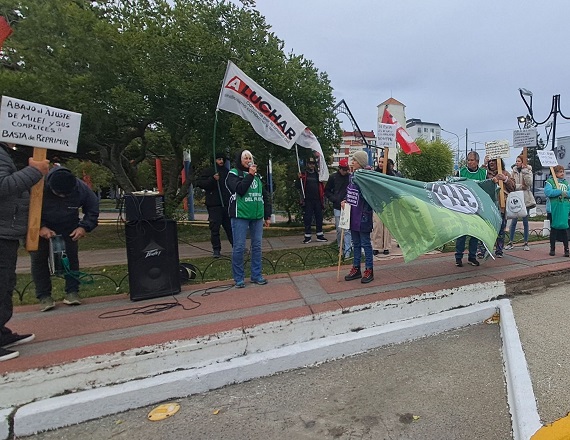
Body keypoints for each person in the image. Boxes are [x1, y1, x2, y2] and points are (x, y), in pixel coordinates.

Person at [0, 141, 49, 361]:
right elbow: (3, 185)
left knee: (6, 282)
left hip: (6, 231)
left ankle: (1, 332)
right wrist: (34, 171)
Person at [31, 167, 100, 311]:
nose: (63, 196)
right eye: (59, 194)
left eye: (66, 194)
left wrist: (84, 227)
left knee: (71, 257)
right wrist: (40, 227)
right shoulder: (37, 185)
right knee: (39, 259)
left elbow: (93, 207)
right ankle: (44, 296)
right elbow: (24, 207)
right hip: (40, 224)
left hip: (68, 225)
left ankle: (72, 292)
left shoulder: (80, 187)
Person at [225, 149, 271, 288]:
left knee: (257, 246)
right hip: (240, 215)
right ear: (239, 160)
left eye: (250, 157)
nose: (248, 160)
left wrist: (267, 215)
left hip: (256, 216)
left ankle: (256, 275)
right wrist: (250, 175)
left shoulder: (257, 177)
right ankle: (239, 278)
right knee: (239, 247)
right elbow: (240, 189)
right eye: (245, 158)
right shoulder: (233, 174)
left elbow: (265, 195)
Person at [343, 150, 374, 283]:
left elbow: (369, 196)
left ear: (360, 162)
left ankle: (369, 270)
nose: (352, 162)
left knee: (365, 244)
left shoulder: (366, 177)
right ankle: (356, 268)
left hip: (363, 216)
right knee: (356, 243)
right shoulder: (353, 176)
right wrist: (345, 200)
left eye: (355, 160)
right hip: (352, 214)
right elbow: (350, 191)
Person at [196, 153, 233, 258]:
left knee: (230, 227)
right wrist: (212, 179)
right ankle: (216, 249)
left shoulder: (226, 172)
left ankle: (236, 246)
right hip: (214, 205)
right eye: (218, 159)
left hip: (226, 204)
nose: (221, 161)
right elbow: (201, 184)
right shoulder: (209, 171)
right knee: (215, 228)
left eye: (222, 159)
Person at [455, 151, 487, 267]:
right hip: (463, 208)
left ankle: (472, 257)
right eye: (468, 160)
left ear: (477, 161)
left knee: (475, 234)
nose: (469, 162)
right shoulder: (461, 172)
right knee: (462, 234)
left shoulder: (483, 173)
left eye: (472, 160)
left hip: (477, 209)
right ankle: (458, 257)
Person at [486, 158, 515, 258]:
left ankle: (499, 250)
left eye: (494, 160)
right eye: (490, 161)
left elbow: (513, 187)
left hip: (501, 207)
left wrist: (505, 179)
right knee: (486, 228)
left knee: (501, 229)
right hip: (488, 206)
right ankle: (482, 250)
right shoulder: (486, 172)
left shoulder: (506, 173)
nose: (491, 163)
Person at [372, 156, 400, 256]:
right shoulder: (374, 174)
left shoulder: (391, 175)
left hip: (388, 203)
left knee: (387, 226)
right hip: (377, 203)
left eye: (382, 162)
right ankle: (376, 246)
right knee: (377, 225)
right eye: (379, 161)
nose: (380, 163)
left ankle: (386, 247)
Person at [506, 155, 535, 251]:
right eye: (516, 161)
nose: (517, 162)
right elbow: (512, 184)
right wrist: (519, 186)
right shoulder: (513, 171)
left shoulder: (528, 170)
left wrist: (525, 172)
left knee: (525, 221)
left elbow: (529, 183)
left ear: (523, 162)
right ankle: (511, 242)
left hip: (525, 198)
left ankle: (526, 242)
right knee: (514, 221)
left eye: (519, 161)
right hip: (516, 197)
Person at [296, 156, 327, 244]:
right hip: (308, 200)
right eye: (310, 164)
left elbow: (322, 186)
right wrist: (299, 179)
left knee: (319, 218)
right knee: (307, 218)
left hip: (317, 200)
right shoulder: (304, 174)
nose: (311, 165)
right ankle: (307, 236)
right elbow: (298, 187)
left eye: (313, 164)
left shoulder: (317, 175)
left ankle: (320, 235)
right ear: (307, 164)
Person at [325, 158, 351, 257]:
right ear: (339, 168)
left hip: (347, 206)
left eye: (346, 169)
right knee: (339, 229)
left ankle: (348, 250)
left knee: (347, 230)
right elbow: (327, 191)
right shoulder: (333, 178)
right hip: (337, 206)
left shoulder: (350, 177)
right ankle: (341, 247)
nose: (345, 171)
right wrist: (335, 199)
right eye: (343, 169)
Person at [544, 165, 570, 257]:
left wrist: (565, 193)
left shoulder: (566, 183)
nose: (562, 173)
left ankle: (566, 250)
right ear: (555, 173)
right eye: (560, 171)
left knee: (564, 229)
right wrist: (559, 192)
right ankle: (552, 249)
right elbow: (548, 192)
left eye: (563, 171)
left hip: (563, 210)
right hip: (552, 210)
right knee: (554, 229)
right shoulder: (550, 182)